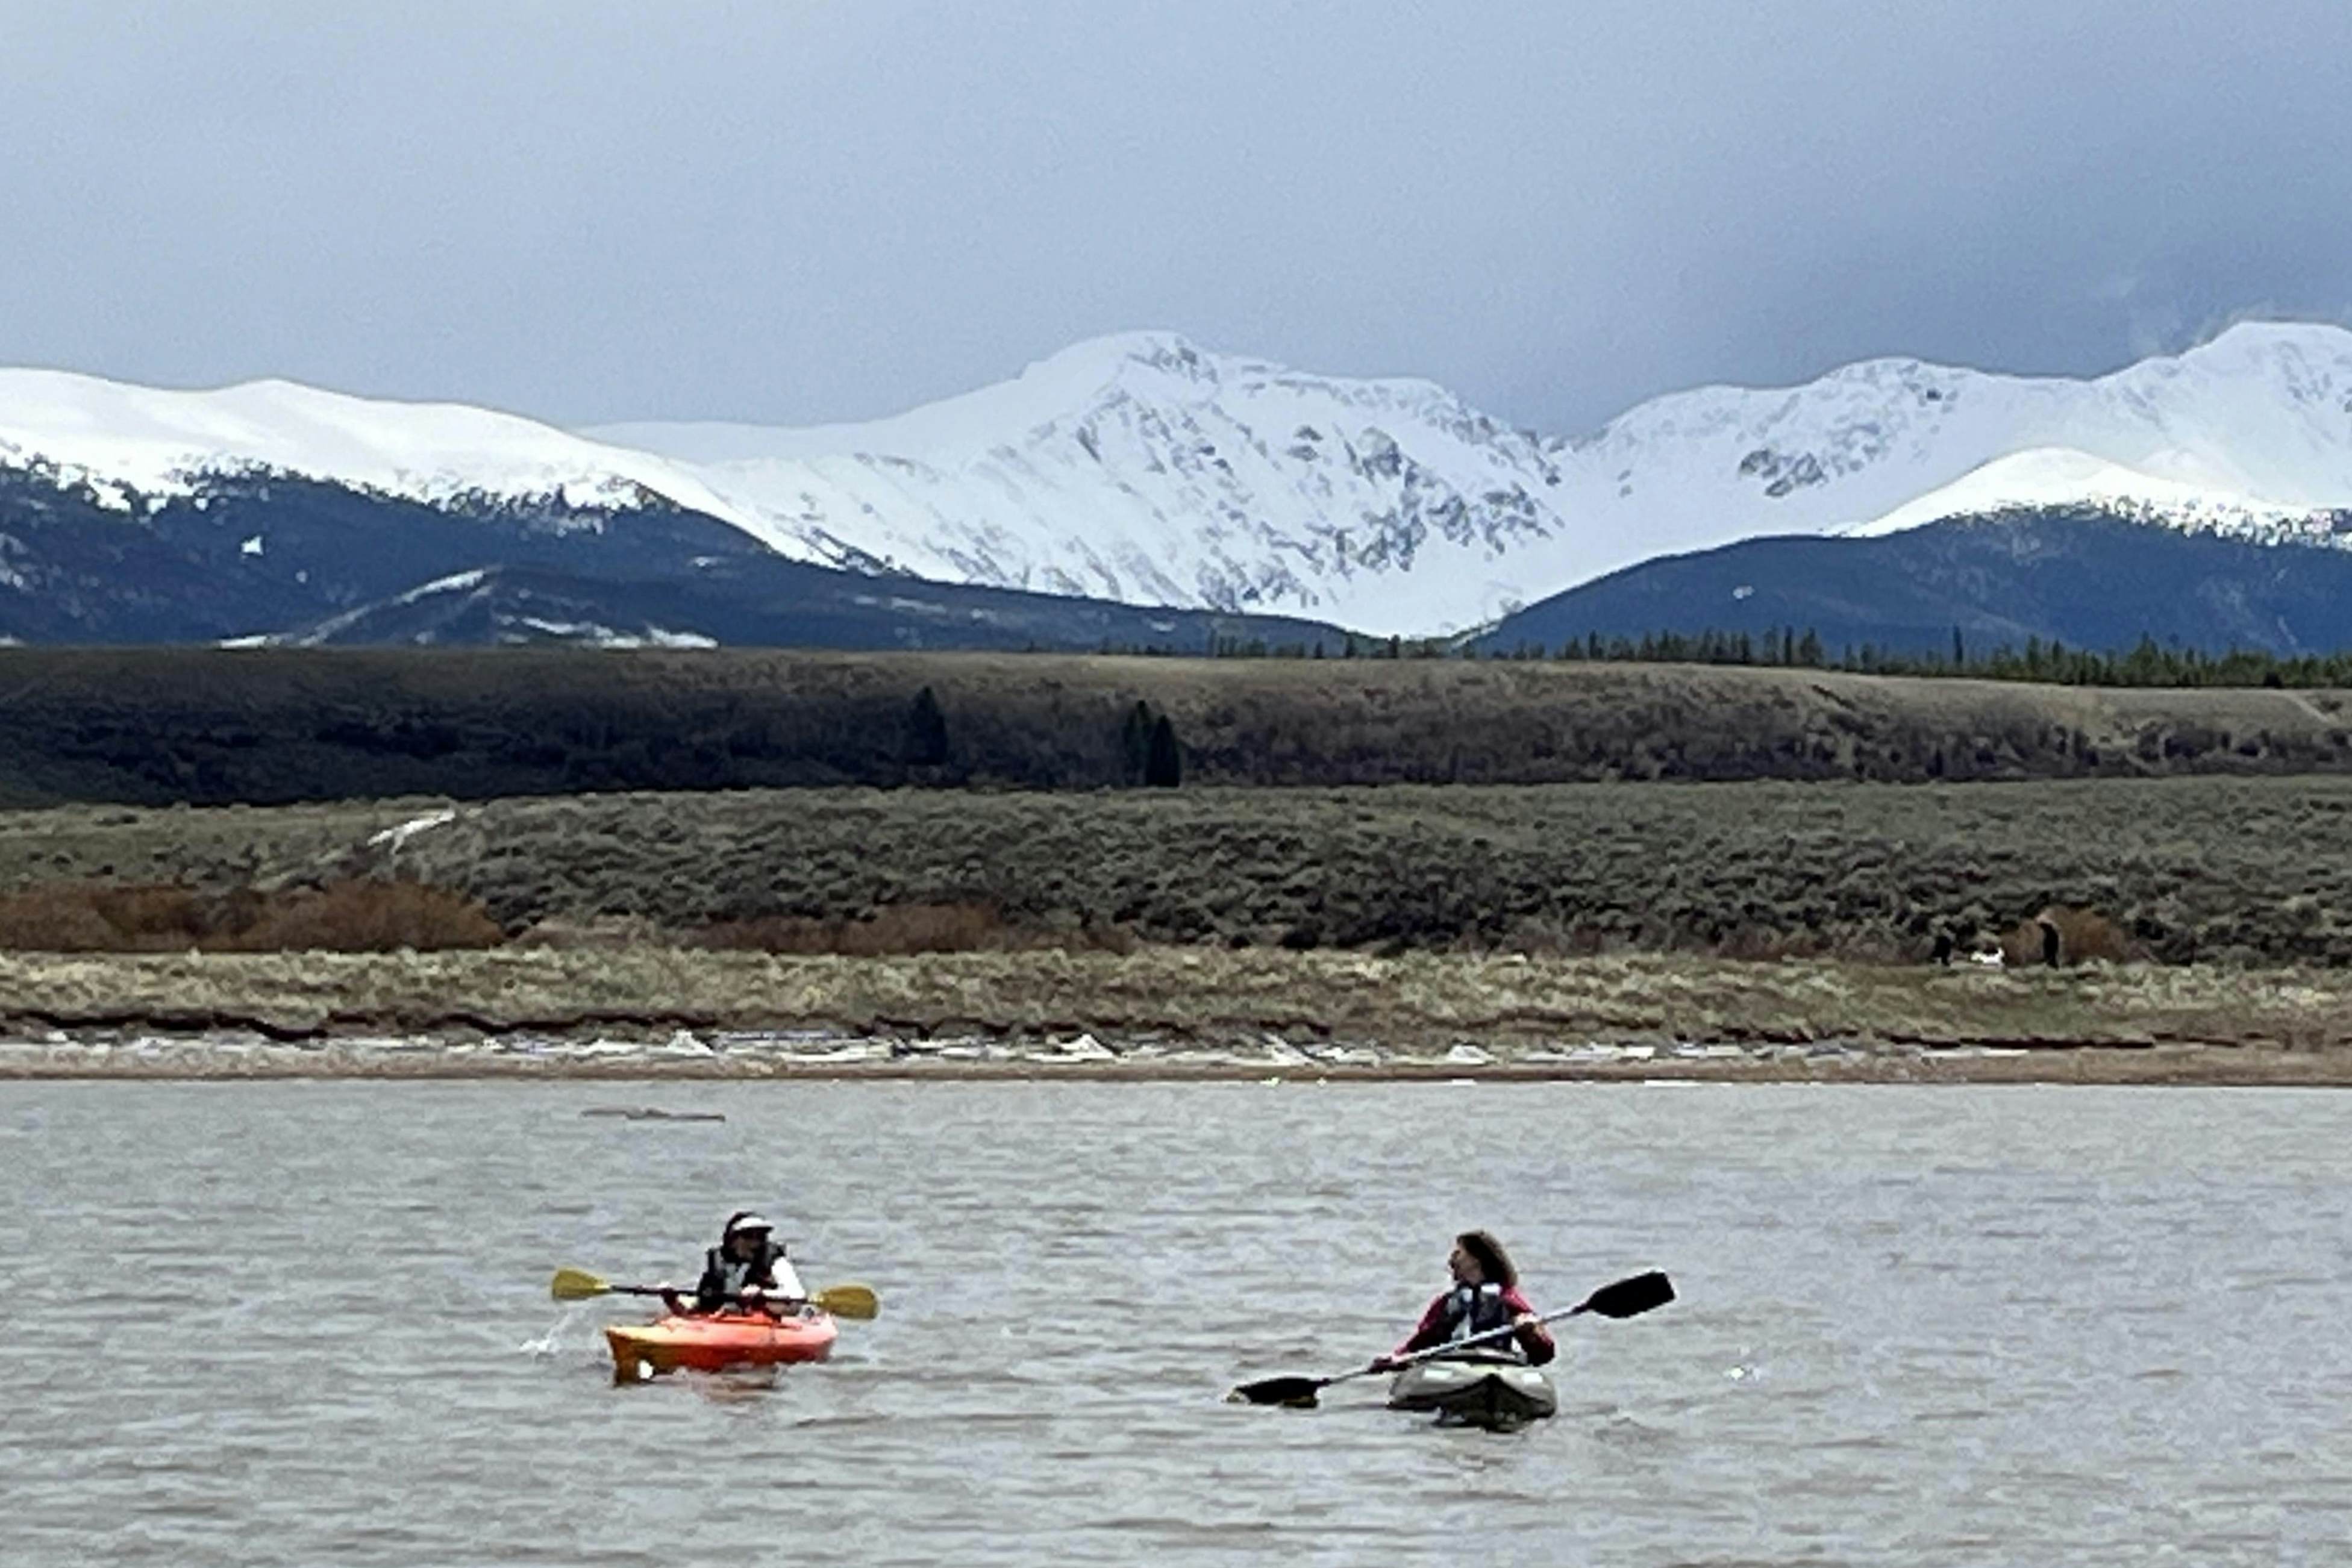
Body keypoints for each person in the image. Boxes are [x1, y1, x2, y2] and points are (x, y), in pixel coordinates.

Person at [1369, 1230, 1556, 1372]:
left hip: (1495, 1363)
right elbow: (1421, 1342)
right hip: (1452, 1366)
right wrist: (1397, 1358)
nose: (1452, 1260)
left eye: (1458, 1253)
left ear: (1476, 1259)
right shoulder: (1446, 1303)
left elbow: (1544, 1354)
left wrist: (1531, 1333)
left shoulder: (1508, 1299)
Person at [660, 1211, 806, 1317]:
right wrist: (672, 1300)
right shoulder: (718, 1262)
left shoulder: (776, 1262)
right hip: (722, 1322)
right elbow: (697, 1306)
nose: (755, 1242)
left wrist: (763, 1296)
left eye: (761, 1236)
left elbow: (796, 1298)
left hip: (763, 1323)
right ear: (732, 1240)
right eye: (748, 1236)